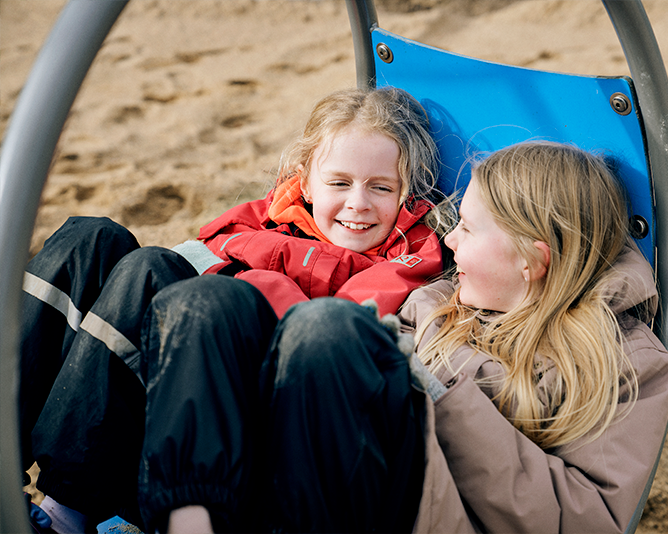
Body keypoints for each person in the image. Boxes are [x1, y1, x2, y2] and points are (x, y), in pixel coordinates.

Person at [137, 141, 668, 533]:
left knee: (328, 328)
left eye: (467, 228)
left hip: (420, 508)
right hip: (316, 480)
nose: (450, 240)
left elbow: (583, 520)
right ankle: (190, 520)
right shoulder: (437, 304)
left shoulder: (624, 363)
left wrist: (438, 394)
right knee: (212, 302)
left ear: (532, 261)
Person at [20, 86, 452, 532]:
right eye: (339, 183)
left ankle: (65, 511)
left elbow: (327, 348)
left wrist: (257, 282)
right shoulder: (262, 220)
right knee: (93, 240)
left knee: (173, 275)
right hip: (155, 414)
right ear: (304, 181)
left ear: (406, 195)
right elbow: (175, 268)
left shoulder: (407, 261)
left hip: (239, 445)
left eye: (381, 187)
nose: (358, 203)